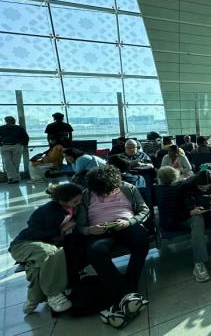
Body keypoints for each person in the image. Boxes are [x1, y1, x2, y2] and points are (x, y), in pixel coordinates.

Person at [75, 166, 150, 327]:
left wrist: (129, 222)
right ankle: (128, 295)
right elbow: (80, 225)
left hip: (126, 224)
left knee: (141, 241)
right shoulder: (87, 195)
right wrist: (90, 230)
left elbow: (144, 210)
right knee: (95, 251)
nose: (106, 193)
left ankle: (125, 292)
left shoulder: (128, 188)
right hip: (100, 230)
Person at [9, 183, 83, 314]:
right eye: (75, 201)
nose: (79, 202)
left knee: (37, 266)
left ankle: (34, 298)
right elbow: (35, 233)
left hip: (45, 244)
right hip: (23, 244)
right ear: (62, 201)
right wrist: (60, 230)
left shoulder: (72, 208)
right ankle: (54, 294)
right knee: (51, 253)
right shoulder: (46, 211)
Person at [181, 170, 211, 282]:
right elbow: (175, 212)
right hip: (188, 216)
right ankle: (199, 262)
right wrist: (191, 212)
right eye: (202, 188)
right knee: (197, 220)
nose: (205, 190)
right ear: (196, 184)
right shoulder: (185, 187)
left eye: (207, 187)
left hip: (207, 214)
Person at [0, 116, 29, 183]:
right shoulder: (2, 128)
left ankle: (12, 178)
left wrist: (22, 143)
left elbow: (25, 137)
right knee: (7, 162)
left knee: (15, 163)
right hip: (6, 146)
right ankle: (15, 177)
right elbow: (26, 137)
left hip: (16, 145)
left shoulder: (18, 128)